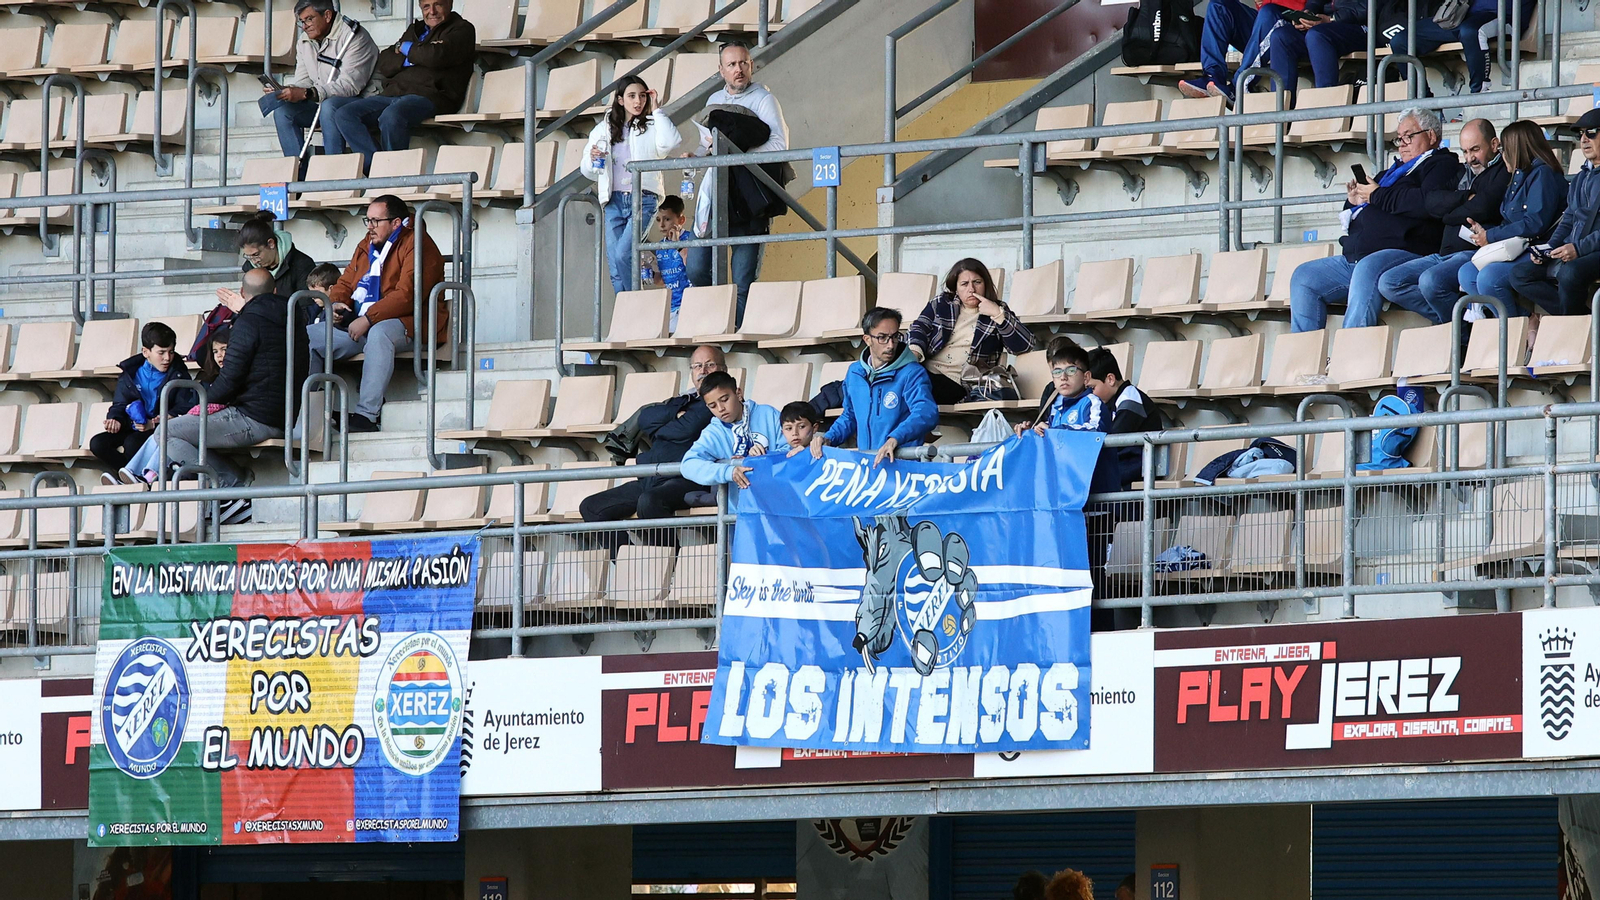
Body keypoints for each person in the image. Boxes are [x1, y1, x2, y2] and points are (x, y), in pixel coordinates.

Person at [1290, 107, 1461, 332]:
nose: (1402, 144)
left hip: (1407, 252)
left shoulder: (1441, 164)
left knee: (1368, 268)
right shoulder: (1391, 172)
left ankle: (1353, 359)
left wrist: (1378, 195)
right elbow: (1369, 207)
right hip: (1358, 255)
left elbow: (1426, 203)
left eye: (1409, 136)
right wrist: (1354, 202)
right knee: (1304, 277)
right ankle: (1306, 364)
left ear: (1431, 136)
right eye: (1398, 139)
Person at [163, 268, 310, 501]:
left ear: (242, 292)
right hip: (283, 415)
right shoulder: (293, 317)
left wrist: (202, 405)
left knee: (165, 432)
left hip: (254, 417)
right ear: (274, 290)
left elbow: (230, 379)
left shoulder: (247, 323)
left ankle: (230, 479)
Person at [312, 195, 446, 432]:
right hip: (357, 322)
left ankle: (367, 415)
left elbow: (407, 296)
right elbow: (344, 282)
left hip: (409, 321)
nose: (370, 227)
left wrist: (369, 318)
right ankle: (309, 413)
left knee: (379, 333)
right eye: (368, 220)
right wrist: (336, 303)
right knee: (305, 336)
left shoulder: (418, 244)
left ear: (396, 223)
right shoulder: (367, 243)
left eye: (376, 221)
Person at [686, 41, 789, 325]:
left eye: (743, 63)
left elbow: (780, 144)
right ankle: (713, 325)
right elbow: (707, 145)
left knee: (743, 280)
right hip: (717, 196)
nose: (738, 69)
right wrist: (694, 155)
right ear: (721, 71)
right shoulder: (713, 101)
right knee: (696, 269)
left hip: (749, 199)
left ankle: (732, 335)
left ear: (751, 65)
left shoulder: (763, 99)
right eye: (731, 65)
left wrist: (737, 155)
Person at [1377, 118, 1509, 324]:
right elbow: (1431, 202)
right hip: (1443, 254)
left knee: (1430, 281)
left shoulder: (1503, 171)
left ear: (1494, 144)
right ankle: (1457, 323)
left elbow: (1482, 207)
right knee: (1389, 282)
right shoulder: (1461, 171)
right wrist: (1464, 198)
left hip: (1473, 254)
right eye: (1465, 151)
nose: (1470, 158)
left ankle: (1458, 335)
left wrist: (1448, 214)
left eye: (1475, 150)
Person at [581, 345, 727, 525]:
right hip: (652, 476)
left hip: (685, 478)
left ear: (723, 369)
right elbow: (645, 418)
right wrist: (675, 417)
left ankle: (667, 553)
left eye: (710, 365)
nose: (703, 371)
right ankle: (623, 552)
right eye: (697, 366)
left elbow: (686, 430)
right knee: (591, 506)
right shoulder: (682, 400)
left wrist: (661, 426)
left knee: (649, 502)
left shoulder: (718, 404)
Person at [323, 0, 474, 170]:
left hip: (433, 95)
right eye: (426, 6)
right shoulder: (415, 29)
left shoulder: (462, 29)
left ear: (450, 3)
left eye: (437, 4)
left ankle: (392, 173)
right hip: (394, 93)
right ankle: (377, 169)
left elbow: (436, 56)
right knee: (345, 114)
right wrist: (416, 54)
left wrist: (406, 50)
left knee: (392, 115)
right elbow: (386, 62)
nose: (432, 11)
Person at [582, 75, 683, 296]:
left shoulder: (653, 124)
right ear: (620, 100)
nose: (638, 101)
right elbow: (587, 170)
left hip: (644, 197)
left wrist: (656, 109)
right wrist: (593, 157)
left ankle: (635, 308)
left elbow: (672, 142)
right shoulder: (603, 130)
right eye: (631, 96)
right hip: (613, 200)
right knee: (616, 267)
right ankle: (627, 317)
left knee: (623, 255)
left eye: (642, 96)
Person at [801, 307, 939, 468]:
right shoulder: (855, 372)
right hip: (868, 465)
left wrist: (895, 438)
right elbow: (850, 416)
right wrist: (829, 438)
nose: (891, 344)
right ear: (867, 339)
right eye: (882, 338)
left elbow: (926, 413)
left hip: (902, 465)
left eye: (895, 336)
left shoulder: (912, 373)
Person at [1456, 119, 1566, 313]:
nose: (1501, 153)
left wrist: (1491, 236)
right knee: (1467, 273)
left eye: (1505, 148)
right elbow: (1509, 220)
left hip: (1539, 249)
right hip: (1517, 247)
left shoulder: (1543, 174)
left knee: (1488, 278)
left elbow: (1534, 224)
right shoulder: (1517, 176)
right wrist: (1486, 232)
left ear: (1517, 149)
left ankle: (1513, 334)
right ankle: (1522, 320)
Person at [258, 0, 378, 161]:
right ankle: (297, 175)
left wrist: (309, 93)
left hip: (361, 102)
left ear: (327, 15)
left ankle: (332, 170)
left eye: (309, 19)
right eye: (302, 21)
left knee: (329, 106)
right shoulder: (304, 41)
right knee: (283, 111)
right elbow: (304, 80)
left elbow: (350, 86)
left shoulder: (355, 36)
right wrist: (286, 90)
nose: (305, 26)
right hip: (322, 100)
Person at [907, 258, 1038, 405]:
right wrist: (915, 352)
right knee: (896, 375)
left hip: (962, 383)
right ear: (955, 288)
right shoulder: (942, 303)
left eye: (977, 282)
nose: (971, 289)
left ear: (985, 284)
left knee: (910, 385)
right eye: (964, 284)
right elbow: (919, 327)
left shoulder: (997, 310)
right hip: (926, 372)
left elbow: (1024, 345)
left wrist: (998, 314)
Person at [1509, 109, 1600, 315]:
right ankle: (1580, 318)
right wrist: (1550, 247)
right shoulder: (1580, 177)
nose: (1584, 139)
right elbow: (1568, 219)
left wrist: (1578, 248)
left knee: (1570, 273)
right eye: (1581, 135)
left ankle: (1574, 326)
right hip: (1577, 248)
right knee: (1520, 274)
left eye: (1591, 132)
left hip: (1592, 250)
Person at [115, 327, 230, 486]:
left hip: (221, 423)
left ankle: (148, 475)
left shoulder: (236, 374)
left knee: (169, 431)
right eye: (216, 351)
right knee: (164, 431)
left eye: (225, 349)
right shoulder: (208, 376)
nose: (220, 355)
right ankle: (136, 474)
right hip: (202, 422)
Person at [90, 322, 194, 480]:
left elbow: (185, 407)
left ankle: (132, 478)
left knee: (132, 443)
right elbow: (120, 404)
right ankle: (129, 474)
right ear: (146, 352)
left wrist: (154, 422)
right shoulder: (130, 373)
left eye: (171, 352)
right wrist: (115, 419)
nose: (167, 358)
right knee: (97, 443)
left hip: (159, 428)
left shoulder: (178, 373)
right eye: (162, 352)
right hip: (132, 426)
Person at [1179, 0, 1308, 103]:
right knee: (1218, 5)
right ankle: (1213, 75)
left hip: (1296, 24)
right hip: (1263, 21)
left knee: (1269, 12)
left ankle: (1239, 86)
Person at [680, 371, 783, 490]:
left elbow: (792, 450)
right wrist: (728, 472)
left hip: (778, 497)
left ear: (738, 393)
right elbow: (688, 465)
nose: (720, 409)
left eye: (724, 399)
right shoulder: (714, 432)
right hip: (739, 506)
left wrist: (763, 458)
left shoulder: (768, 415)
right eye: (712, 406)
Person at [1085, 347, 1163, 491]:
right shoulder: (1110, 402)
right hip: (1123, 464)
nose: (1089, 394)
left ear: (1110, 379)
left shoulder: (1130, 399)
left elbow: (1115, 439)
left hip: (1139, 467)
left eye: (1092, 388)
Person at [1263, 0, 1371, 96]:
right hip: (1325, 25)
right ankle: (1281, 112)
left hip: (1363, 27)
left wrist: (1332, 19)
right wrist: (1307, 14)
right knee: (1281, 37)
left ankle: (1325, 109)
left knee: (1317, 36)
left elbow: (1368, 7)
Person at [645, 196, 694, 329]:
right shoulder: (661, 246)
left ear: (681, 220)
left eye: (667, 219)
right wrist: (649, 272)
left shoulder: (690, 239)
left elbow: (694, 267)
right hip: (670, 308)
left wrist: (678, 245)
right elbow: (662, 281)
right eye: (658, 220)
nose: (661, 225)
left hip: (690, 305)